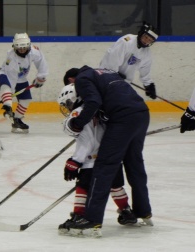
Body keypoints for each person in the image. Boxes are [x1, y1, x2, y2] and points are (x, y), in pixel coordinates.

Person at [62, 66, 153, 237]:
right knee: (134, 164)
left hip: (123, 118)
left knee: (104, 166)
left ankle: (91, 219)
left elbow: (93, 102)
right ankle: (143, 211)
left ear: (72, 80)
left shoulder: (82, 79)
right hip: (141, 113)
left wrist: (78, 123)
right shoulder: (105, 71)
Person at [0, 33, 48, 133]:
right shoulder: (11, 58)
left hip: (21, 77)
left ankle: (17, 120)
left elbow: (42, 63)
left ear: (28, 45)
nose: (21, 50)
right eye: (19, 48)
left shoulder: (35, 51)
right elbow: (11, 79)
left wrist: (41, 77)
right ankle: (7, 107)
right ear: (14, 46)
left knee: (26, 99)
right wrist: (8, 103)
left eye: (24, 47)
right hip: (5, 74)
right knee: (6, 86)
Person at [99, 22, 159, 100]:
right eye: (146, 37)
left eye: (150, 40)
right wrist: (114, 75)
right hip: (107, 79)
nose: (146, 41)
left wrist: (148, 85)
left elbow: (145, 69)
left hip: (123, 84)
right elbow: (111, 60)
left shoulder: (146, 53)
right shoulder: (126, 41)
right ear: (141, 33)